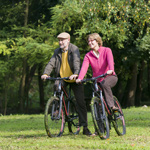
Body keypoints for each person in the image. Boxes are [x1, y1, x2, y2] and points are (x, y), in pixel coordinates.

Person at [41, 32, 92, 136]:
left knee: (80, 102)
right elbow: (51, 63)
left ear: (68, 40)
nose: (60, 42)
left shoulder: (74, 49)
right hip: (63, 77)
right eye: (59, 40)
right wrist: (46, 73)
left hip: (74, 78)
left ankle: (85, 127)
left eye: (62, 40)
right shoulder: (57, 51)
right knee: (56, 85)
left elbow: (77, 62)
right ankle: (57, 109)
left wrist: (76, 74)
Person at [76, 33, 118, 111]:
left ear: (97, 41)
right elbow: (84, 68)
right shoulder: (88, 55)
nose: (90, 43)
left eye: (92, 40)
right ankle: (100, 119)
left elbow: (110, 61)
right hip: (97, 80)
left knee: (104, 84)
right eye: (88, 41)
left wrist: (111, 70)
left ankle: (112, 106)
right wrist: (80, 78)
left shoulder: (107, 50)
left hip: (110, 76)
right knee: (97, 97)